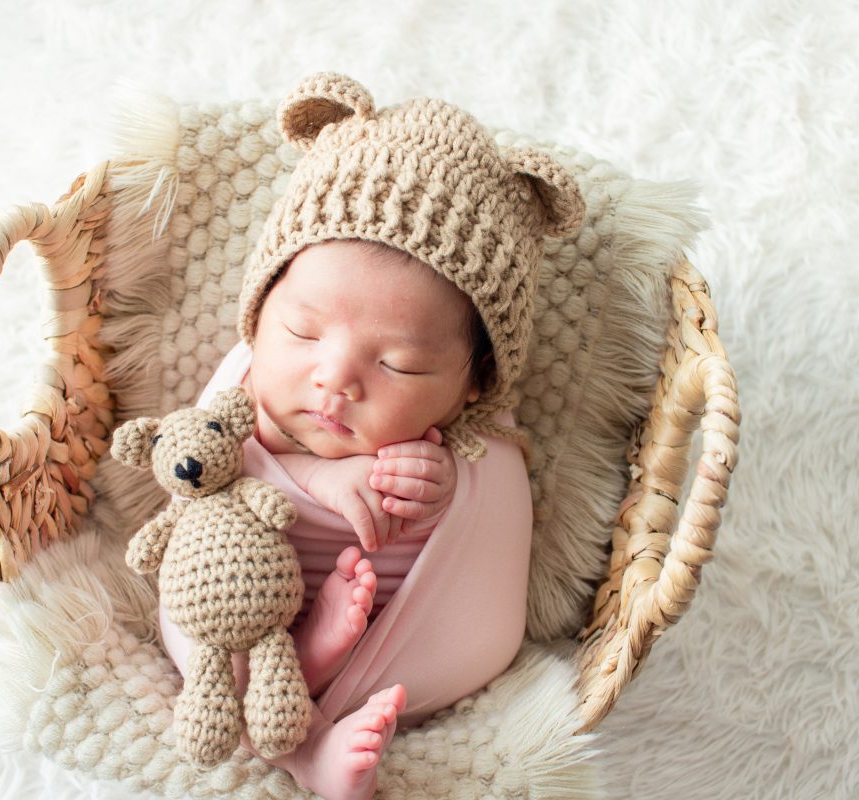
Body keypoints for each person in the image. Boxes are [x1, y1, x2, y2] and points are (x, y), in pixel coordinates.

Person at [158, 72, 584, 800]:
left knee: (351, 669)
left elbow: (481, 529)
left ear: (473, 385)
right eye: (302, 331)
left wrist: (440, 490)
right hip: (232, 597)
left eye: (399, 365)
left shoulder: (471, 440)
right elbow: (202, 473)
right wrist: (319, 479)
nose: (334, 379)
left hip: (392, 631)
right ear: (260, 311)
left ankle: (316, 673)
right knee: (212, 654)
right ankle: (308, 739)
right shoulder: (247, 390)